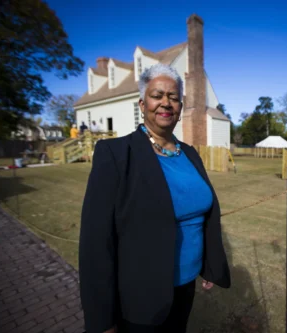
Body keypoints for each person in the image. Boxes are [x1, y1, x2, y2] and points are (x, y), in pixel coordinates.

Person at [79, 63, 231, 333]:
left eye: (173, 97)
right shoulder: (115, 154)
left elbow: (203, 214)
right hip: (141, 294)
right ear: (142, 103)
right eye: (157, 95)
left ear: (180, 108)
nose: (166, 103)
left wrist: (209, 263)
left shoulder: (190, 154)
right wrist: (102, 320)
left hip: (185, 286)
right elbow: (95, 241)